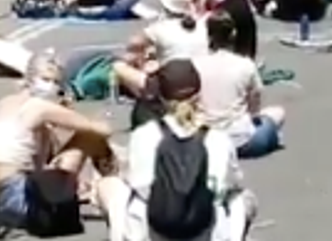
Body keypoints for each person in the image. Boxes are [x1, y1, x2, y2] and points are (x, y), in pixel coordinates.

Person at [95, 59, 252, 241]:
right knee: (243, 199)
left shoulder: (143, 135)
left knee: (108, 186)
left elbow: (134, 181)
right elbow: (233, 183)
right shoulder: (218, 139)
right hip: (204, 229)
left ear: (161, 97)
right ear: (199, 94)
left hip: (153, 229)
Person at [0, 53, 116, 226]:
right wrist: (72, 115)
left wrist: (55, 125)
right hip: (19, 198)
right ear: (29, 79)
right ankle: (112, 189)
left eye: (55, 82)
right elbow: (101, 130)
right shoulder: (40, 107)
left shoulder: (5, 102)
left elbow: (42, 157)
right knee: (89, 137)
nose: (51, 87)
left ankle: (96, 188)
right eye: (45, 79)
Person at [195, 12, 284, 159]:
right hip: (241, 140)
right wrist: (252, 116)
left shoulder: (196, 64)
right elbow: (256, 98)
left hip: (206, 138)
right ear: (233, 35)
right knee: (278, 113)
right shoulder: (245, 65)